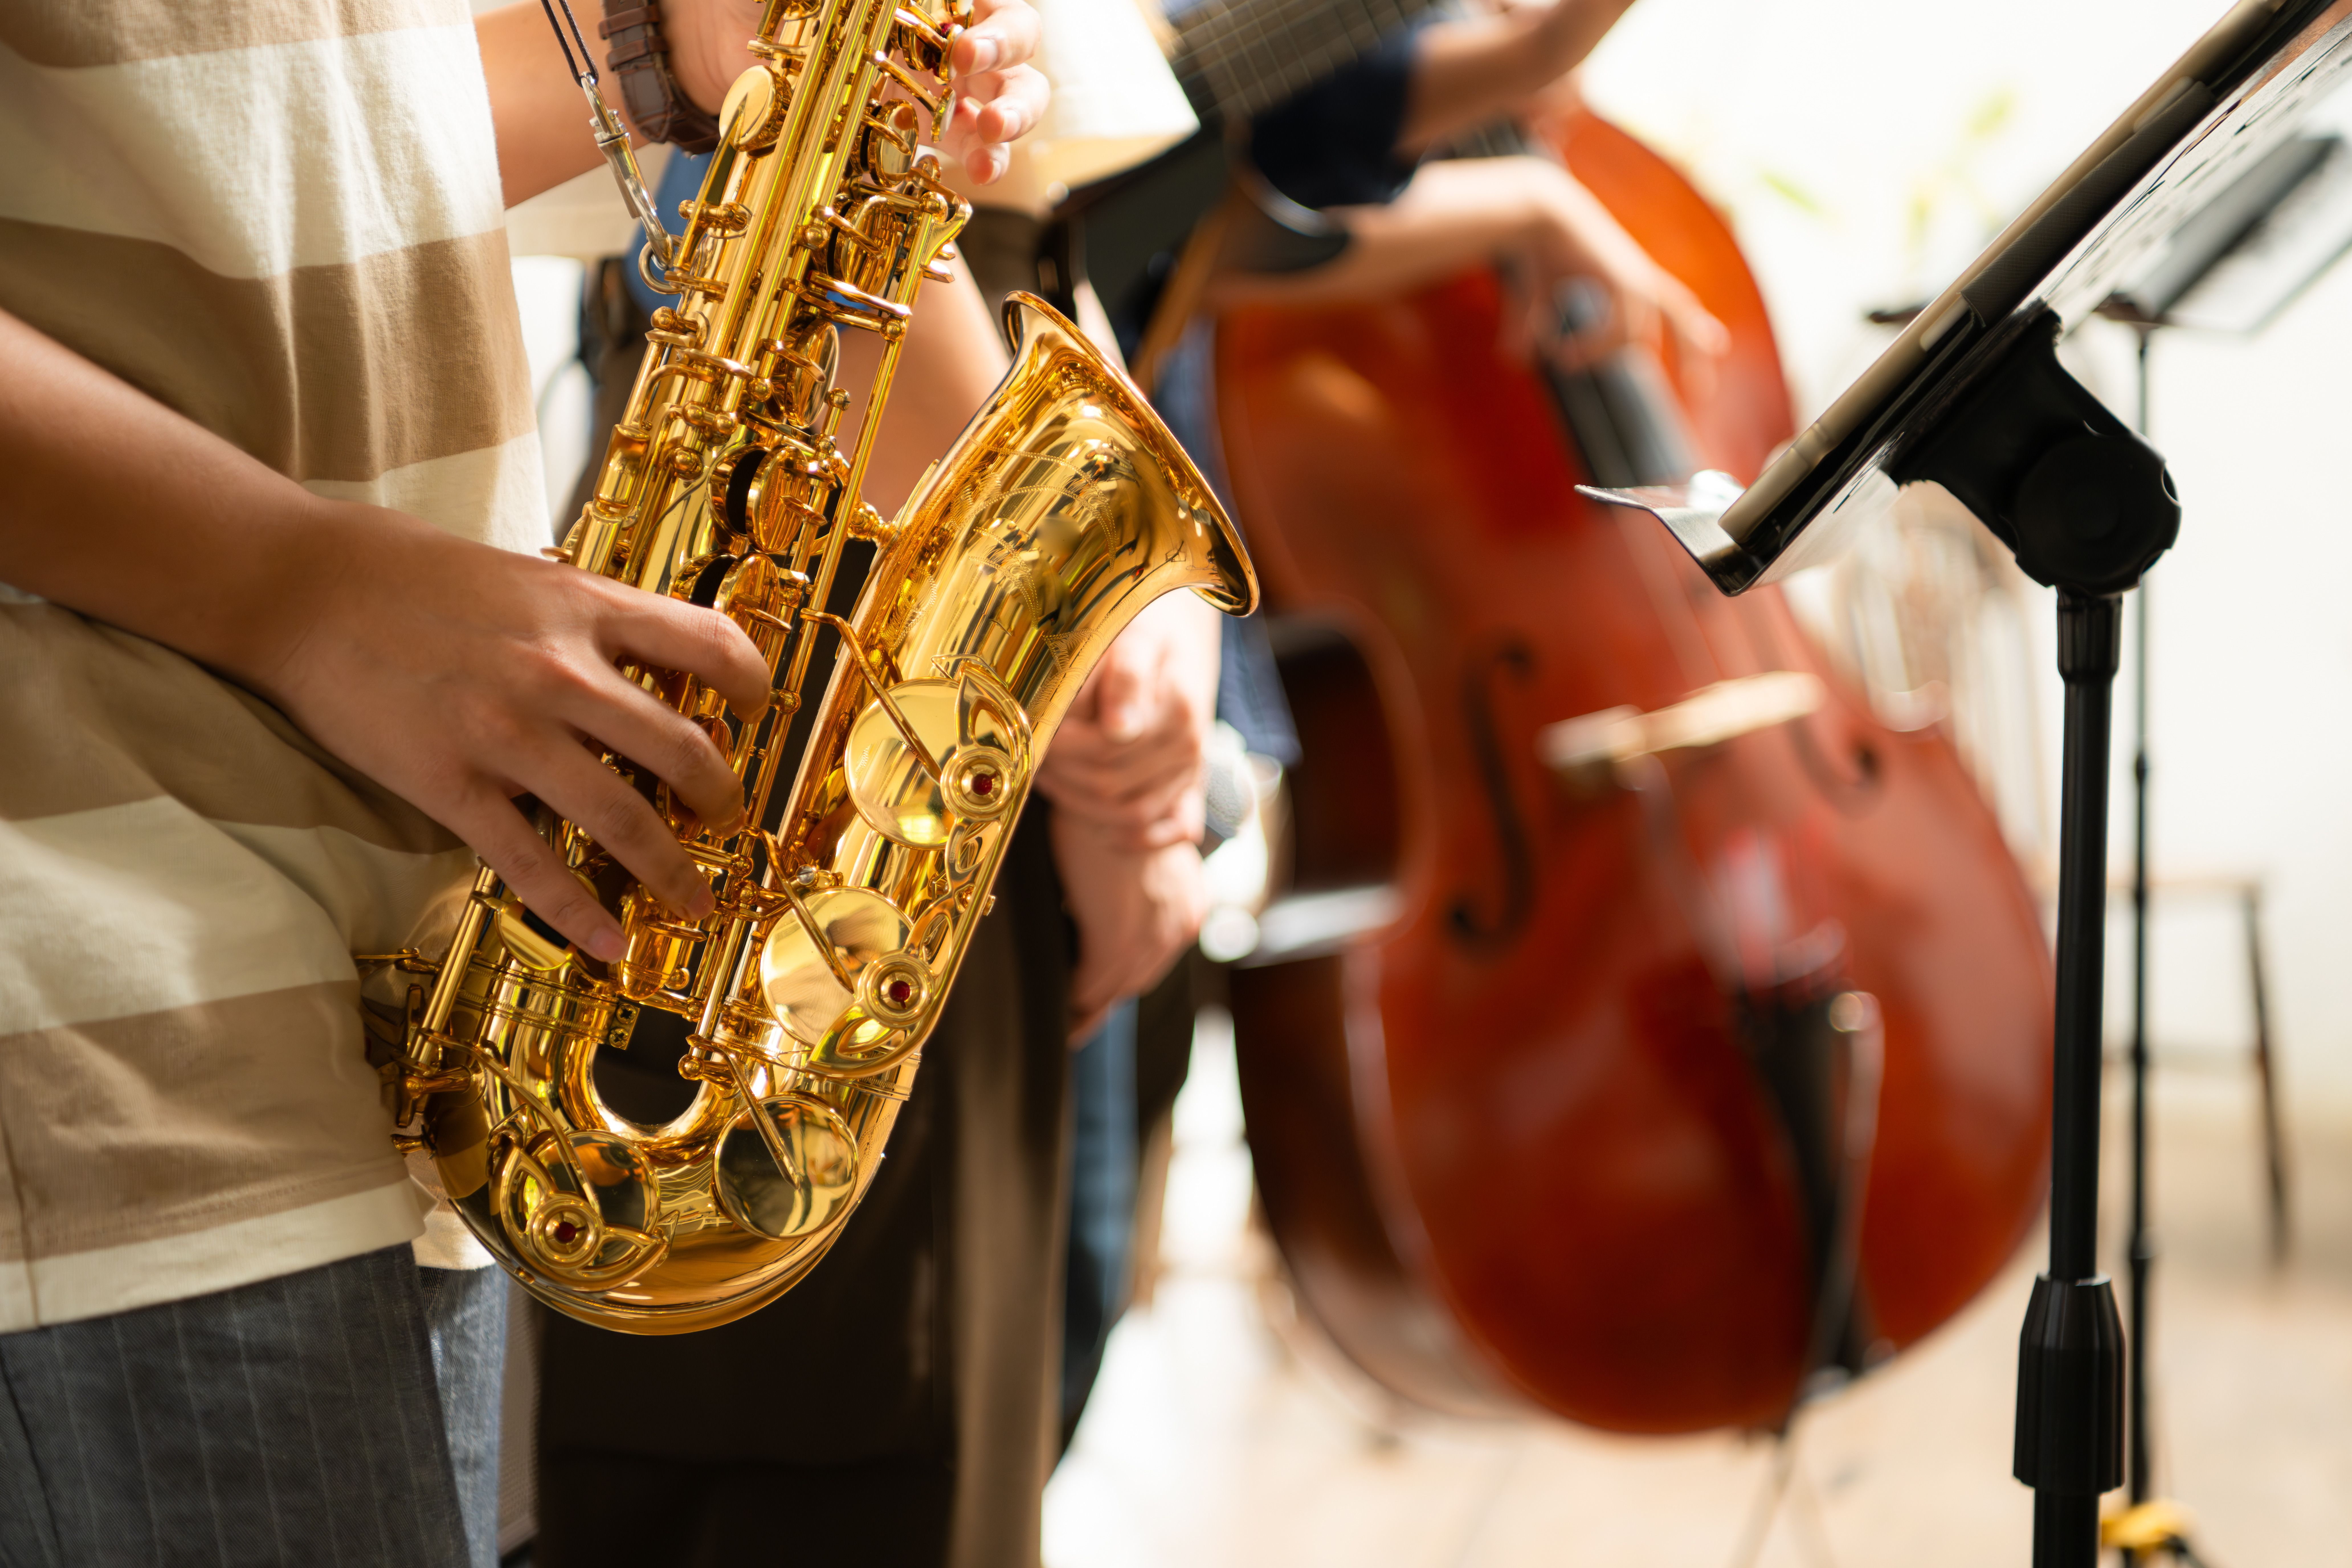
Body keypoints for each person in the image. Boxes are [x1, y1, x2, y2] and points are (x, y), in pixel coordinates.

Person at [0, 2, 1045, 1563]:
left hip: (373, 998)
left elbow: (248, 154)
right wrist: (296, 587)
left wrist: (651, 56)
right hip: (103, 1013)